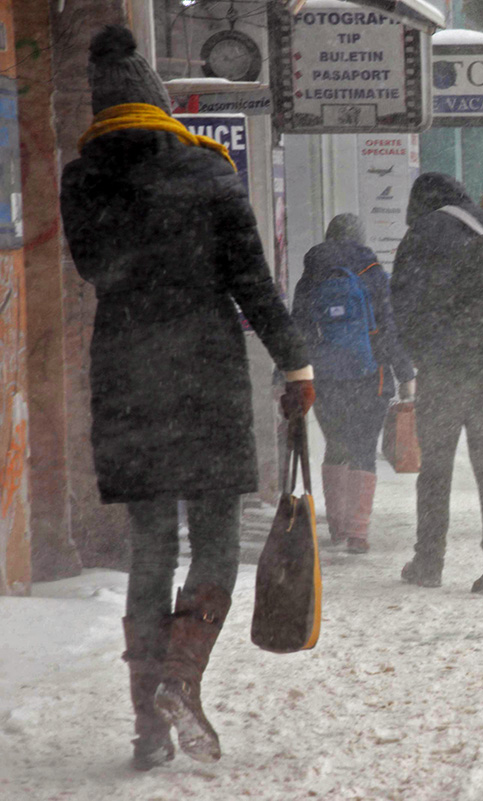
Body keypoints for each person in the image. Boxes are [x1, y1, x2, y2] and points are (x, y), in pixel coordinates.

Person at [59, 26, 313, 770]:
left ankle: (147, 725)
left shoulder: (83, 179)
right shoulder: (208, 172)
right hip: (205, 374)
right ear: (157, 99)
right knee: (214, 540)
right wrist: (295, 362)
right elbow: (252, 284)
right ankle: (180, 677)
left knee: (150, 545)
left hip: (128, 377)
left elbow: (94, 267)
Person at [391, 172, 483, 597]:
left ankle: (429, 561)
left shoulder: (426, 232)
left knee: (435, 467)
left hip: (446, 368)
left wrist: (425, 351)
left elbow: (402, 300)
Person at [292, 214, 414, 554]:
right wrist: (405, 372)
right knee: (363, 449)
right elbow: (389, 329)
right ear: (359, 238)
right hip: (369, 374)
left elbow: (297, 329)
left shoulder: (311, 276)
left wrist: (284, 375)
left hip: (326, 375)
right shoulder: (373, 273)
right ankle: (358, 532)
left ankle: (337, 526)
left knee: (335, 445)